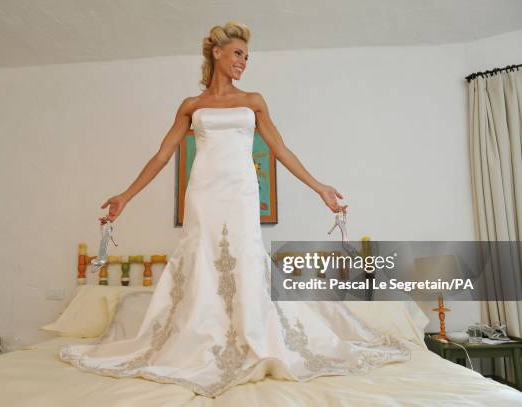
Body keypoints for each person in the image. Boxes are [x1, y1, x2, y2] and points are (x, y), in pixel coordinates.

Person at [60, 21, 410, 398]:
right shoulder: (191, 106)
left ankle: (251, 337)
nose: (243, 62)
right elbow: (163, 156)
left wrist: (319, 187)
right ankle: (198, 339)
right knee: (202, 257)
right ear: (217, 53)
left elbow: (281, 151)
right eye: (238, 53)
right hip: (203, 194)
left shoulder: (254, 100)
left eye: (246, 56)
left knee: (242, 256)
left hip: (241, 192)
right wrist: (125, 196)